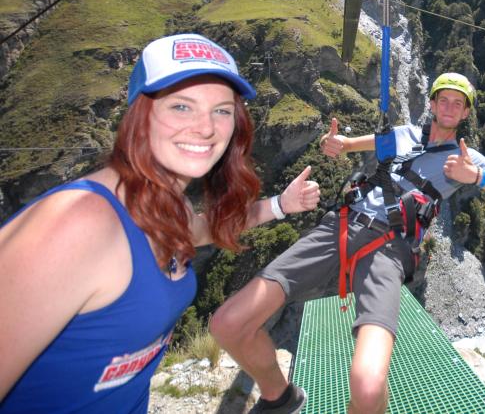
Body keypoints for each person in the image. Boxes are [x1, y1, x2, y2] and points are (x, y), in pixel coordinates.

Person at [0, 33, 321, 414]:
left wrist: (280, 206)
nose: (206, 128)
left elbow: (206, 230)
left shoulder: (167, 207)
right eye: (181, 107)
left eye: (221, 110)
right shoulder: (74, 224)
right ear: (140, 114)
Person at [210, 72, 485, 414]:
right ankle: (279, 396)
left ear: (466, 112)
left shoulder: (467, 159)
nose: (450, 107)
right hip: (341, 226)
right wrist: (332, 144)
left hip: (390, 248)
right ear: (433, 104)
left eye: (458, 103)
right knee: (228, 324)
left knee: (367, 386)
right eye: (444, 100)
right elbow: (345, 146)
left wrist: (476, 176)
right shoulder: (402, 135)